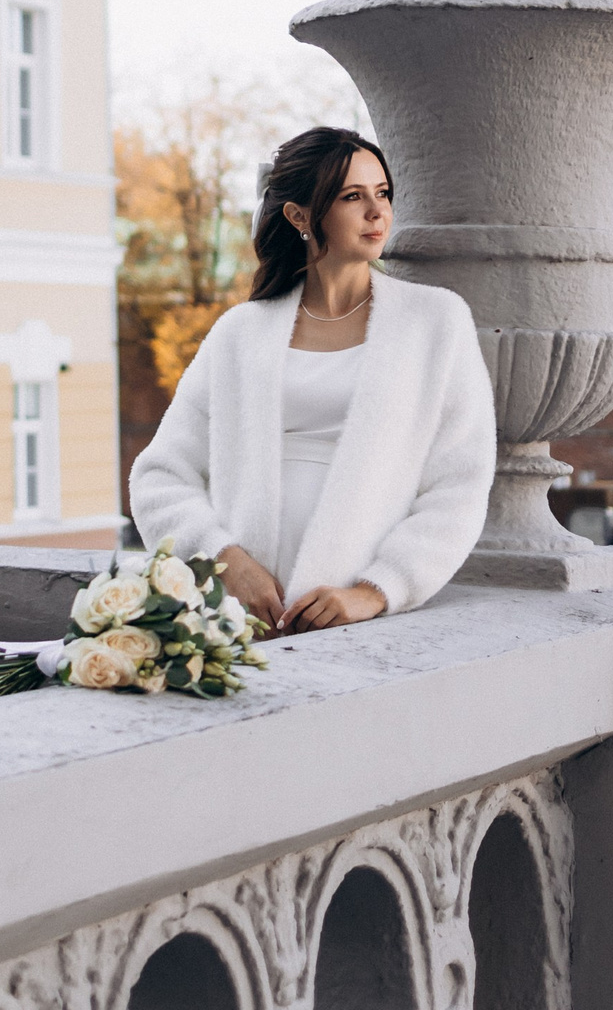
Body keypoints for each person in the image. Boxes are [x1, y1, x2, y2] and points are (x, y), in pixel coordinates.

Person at [129, 126, 495, 632]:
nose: (377, 212)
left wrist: (375, 591)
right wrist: (221, 561)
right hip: (240, 622)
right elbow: (160, 477)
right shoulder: (240, 333)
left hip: (362, 625)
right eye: (353, 197)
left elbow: (460, 483)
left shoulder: (436, 322)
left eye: (383, 193)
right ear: (299, 215)